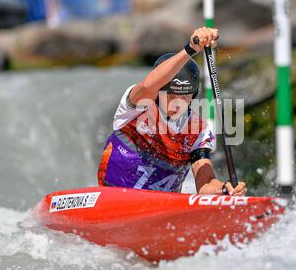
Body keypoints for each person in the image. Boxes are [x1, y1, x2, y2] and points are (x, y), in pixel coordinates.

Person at [97, 27, 247, 196]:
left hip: (159, 212)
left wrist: (224, 189)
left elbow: (205, 185)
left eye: (185, 96)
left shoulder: (199, 130)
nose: (178, 103)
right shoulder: (137, 106)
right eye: (171, 95)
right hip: (112, 198)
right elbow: (147, 85)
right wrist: (191, 49)